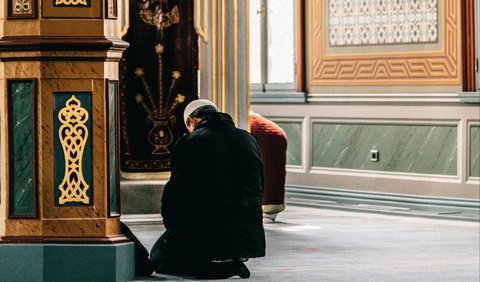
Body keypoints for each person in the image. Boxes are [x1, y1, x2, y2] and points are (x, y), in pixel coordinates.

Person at [150, 99, 266, 279]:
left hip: (207, 230)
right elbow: (259, 186)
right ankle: (234, 262)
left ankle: (217, 268)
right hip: (247, 234)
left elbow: (176, 191)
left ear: (191, 120)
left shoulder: (192, 140)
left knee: (157, 258)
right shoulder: (248, 139)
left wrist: (172, 228)